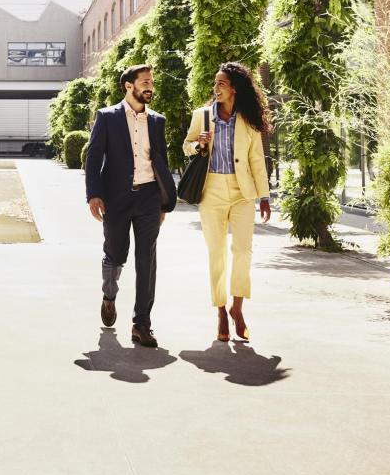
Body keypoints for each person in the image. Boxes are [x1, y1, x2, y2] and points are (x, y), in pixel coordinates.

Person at [84, 64, 178, 347]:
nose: (150, 86)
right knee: (115, 252)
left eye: (152, 81)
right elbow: (94, 157)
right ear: (129, 86)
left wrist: (163, 202)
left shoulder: (157, 121)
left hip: (149, 197)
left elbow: (160, 160)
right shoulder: (107, 117)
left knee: (148, 260)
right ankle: (109, 295)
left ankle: (142, 324)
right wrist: (94, 194)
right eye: (145, 82)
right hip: (116, 198)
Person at [182, 62, 272, 343]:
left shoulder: (247, 119)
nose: (216, 88)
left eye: (222, 83)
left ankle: (237, 307)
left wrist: (264, 196)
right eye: (215, 83)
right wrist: (199, 144)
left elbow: (257, 159)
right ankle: (220, 311)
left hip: (242, 191)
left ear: (235, 88)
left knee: (243, 251)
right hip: (212, 191)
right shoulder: (202, 116)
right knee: (216, 252)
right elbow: (186, 145)